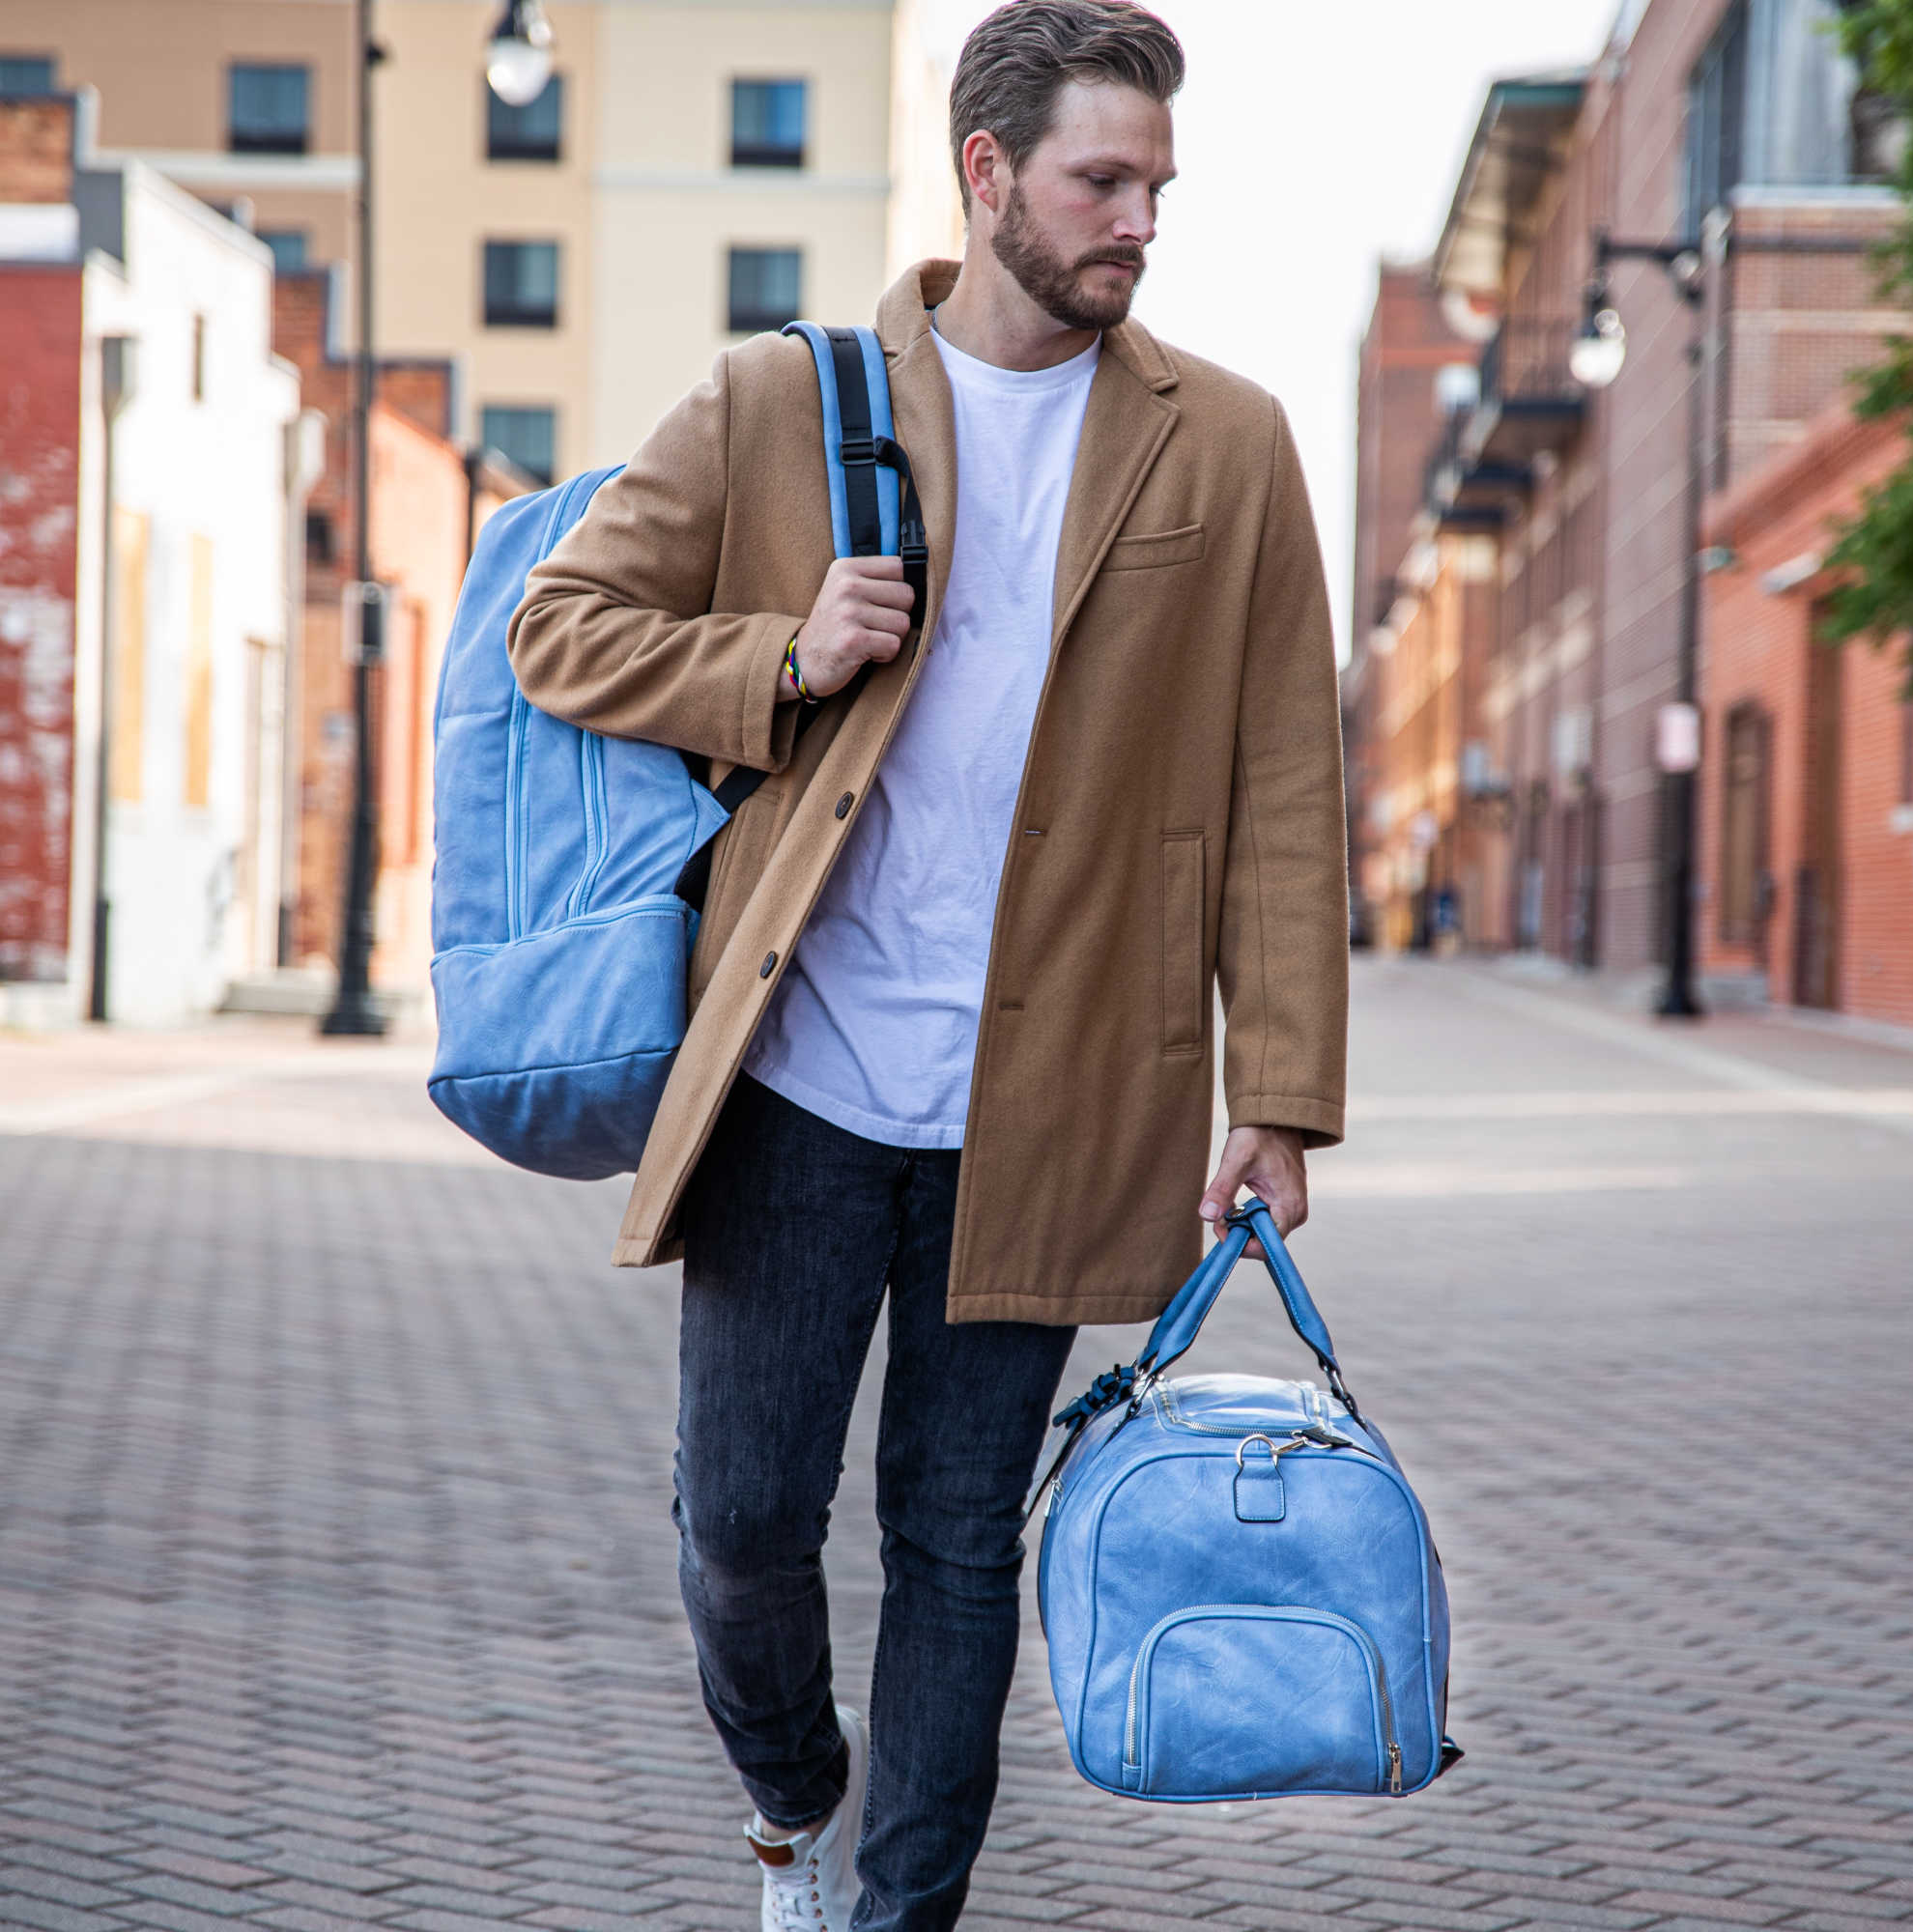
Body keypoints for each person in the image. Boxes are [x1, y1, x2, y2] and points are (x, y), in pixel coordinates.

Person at [506, 3, 1348, 1924]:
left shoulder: (1227, 443)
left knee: (960, 1547)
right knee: (737, 1528)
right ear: (988, 178)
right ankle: (797, 1797)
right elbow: (560, 627)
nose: (1139, 217)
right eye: (1099, 180)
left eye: (1154, 185)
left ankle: (898, 1915)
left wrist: (1278, 1097)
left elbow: (1284, 780)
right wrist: (775, 659)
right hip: (800, 1072)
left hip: (1056, 1098)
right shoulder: (777, 402)